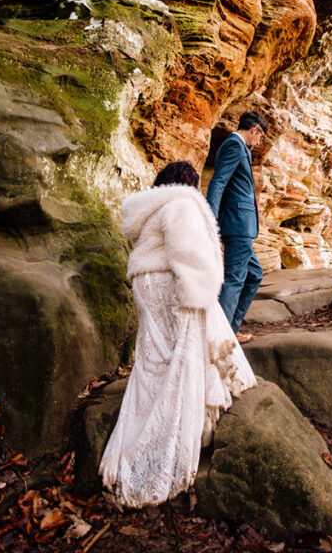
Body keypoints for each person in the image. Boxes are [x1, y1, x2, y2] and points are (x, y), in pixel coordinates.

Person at [99, 161, 256, 507]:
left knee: (153, 362)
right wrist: (202, 295)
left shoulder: (151, 208)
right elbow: (189, 252)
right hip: (170, 282)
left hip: (144, 283)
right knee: (181, 360)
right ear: (188, 183)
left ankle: (130, 441)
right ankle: (160, 453)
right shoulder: (183, 203)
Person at [206, 111, 268, 343]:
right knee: (235, 278)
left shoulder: (237, 148)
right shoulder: (234, 145)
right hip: (238, 224)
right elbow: (218, 183)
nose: (259, 142)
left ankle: (229, 330)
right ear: (255, 130)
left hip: (237, 223)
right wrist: (212, 223)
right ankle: (218, 336)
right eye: (260, 138)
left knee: (254, 274)